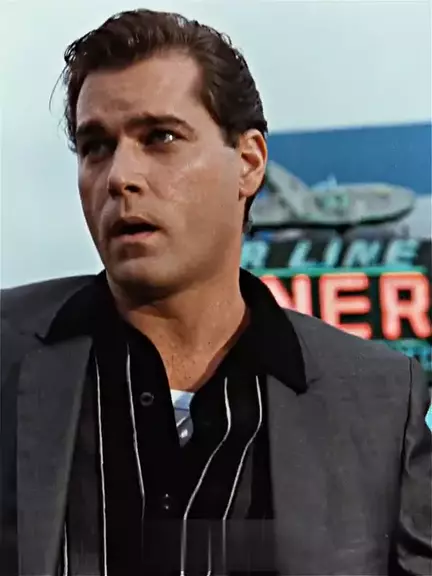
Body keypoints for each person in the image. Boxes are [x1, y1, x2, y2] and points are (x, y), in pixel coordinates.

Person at [0, 8, 431, 576]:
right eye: (96, 146)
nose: (120, 177)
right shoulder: (8, 356)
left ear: (249, 163)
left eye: (161, 137)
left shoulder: (378, 402)